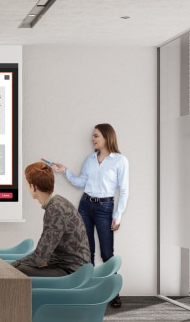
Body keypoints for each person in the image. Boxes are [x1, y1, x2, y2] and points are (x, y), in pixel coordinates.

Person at [51, 123, 129, 307]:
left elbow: (124, 190)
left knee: (107, 253)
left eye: (96, 136)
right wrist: (65, 171)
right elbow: (80, 183)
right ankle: (88, 290)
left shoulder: (120, 161)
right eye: (93, 136)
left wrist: (118, 215)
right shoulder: (90, 159)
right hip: (85, 206)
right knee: (86, 252)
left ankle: (114, 292)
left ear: (106, 137)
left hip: (104, 208)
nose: (92, 139)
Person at [11, 162, 90, 277]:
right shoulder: (58, 203)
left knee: (17, 270)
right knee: (19, 266)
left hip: (71, 271)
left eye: (27, 184)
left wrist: (11, 265)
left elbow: (39, 258)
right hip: (68, 265)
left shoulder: (55, 210)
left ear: (34, 187)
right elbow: (44, 254)